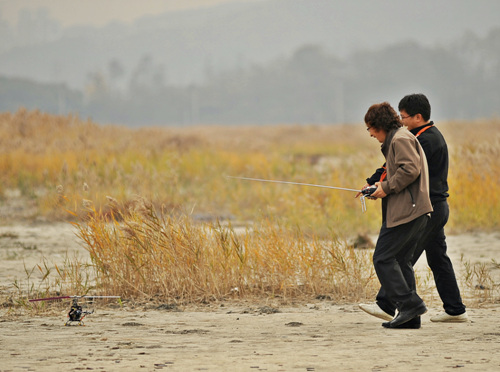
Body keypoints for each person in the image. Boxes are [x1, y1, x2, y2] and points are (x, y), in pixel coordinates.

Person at [359, 94, 468, 324]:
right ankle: (450, 309)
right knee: (429, 258)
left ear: (419, 117)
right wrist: (374, 184)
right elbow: (392, 168)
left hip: (423, 207)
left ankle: (397, 304)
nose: (402, 120)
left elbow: (407, 171)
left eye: (405, 116)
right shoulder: (410, 137)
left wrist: (384, 187)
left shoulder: (413, 139)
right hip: (428, 207)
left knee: (392, 258)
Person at [361, 102, 433, 328]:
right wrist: (377, 188)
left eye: (370, 128)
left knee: (382, 258)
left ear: (379, 125)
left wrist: (387, 187)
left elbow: (410, 170)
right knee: (401, 261)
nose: (371, 134)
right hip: (412, 210)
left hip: (408, 211)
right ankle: (410, 319)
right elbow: (399, 173)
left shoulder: (400, 139)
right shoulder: (398, 138)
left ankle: (410, 304)